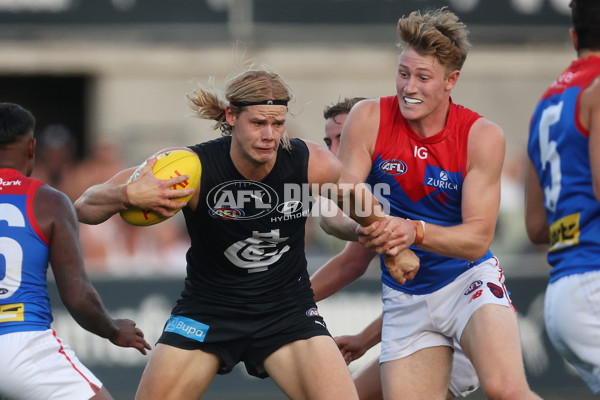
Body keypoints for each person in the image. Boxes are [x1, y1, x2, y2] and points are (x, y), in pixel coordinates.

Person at [74, 67, 413, 400]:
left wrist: (391, 244)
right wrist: (126, 195)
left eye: (277, 124)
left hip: (287, 312)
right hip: (206, 311)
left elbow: (358, 200)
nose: (270, 135)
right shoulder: (192, 167)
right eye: (258, 123)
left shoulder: (310, 162)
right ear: (231, 116)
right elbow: (82, 207)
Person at [316, 8, 541, 399]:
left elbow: (476, 240)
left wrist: (409, 231)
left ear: (451, 80)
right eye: (404, 73)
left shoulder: (481, 136)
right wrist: (372, 229)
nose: (409, 87)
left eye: (423, 77)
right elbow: (337, 203)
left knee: (506, 391)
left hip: (468, 283)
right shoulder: (368, 116)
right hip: (406, 298)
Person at [313, 97, 479, 399]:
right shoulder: (374, 194)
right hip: (426, 324)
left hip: (460, 328)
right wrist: (284, 303)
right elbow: (349, 259)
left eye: (343, 137)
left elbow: (433, 296)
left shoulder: (400, 182)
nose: (335, 149)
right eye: (329, 141)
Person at [0, 102, 152, 400]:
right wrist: (112, 329)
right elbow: (78, 295)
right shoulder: (50, 202)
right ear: (32, 147)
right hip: (22, 340)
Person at [525, 0, 600, 394]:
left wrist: (575, 227)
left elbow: (537, 227)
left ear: (574, 37)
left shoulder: (544, 105)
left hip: (564, 291)